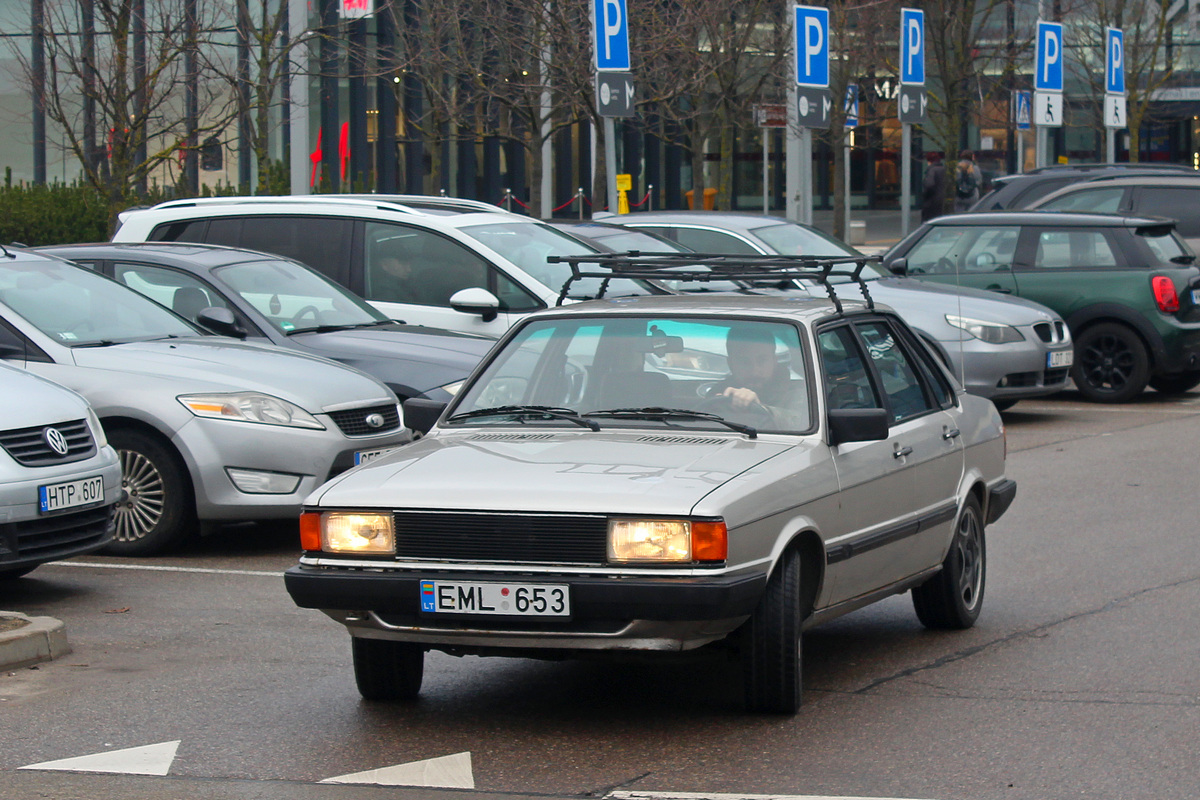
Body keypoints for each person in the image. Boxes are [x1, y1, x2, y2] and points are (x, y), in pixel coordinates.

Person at [710, 326, 808, 430]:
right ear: (730, 364)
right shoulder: (718, 393)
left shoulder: (800, 394)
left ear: (774, 361)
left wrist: (761, 409)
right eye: (744, 361)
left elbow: (800, 423)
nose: (754, 371)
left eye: (762, 360)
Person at [921, 152, 947, 221]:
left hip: (932, 202)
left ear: (929, 161)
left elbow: (929, 185)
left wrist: (925, 195)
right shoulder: (944, 169)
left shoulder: (932, 170)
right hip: (943, 200)